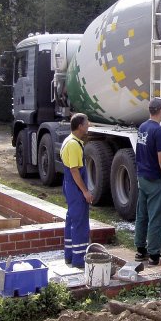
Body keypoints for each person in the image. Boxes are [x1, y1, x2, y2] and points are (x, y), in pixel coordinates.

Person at [134, 97, 161, 266]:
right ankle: (154, 255)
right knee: (157, 217)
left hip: (142, 177)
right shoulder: (160, 131)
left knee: (142, 214)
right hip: (155, 179)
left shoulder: (142, 127)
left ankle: (140, 249)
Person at [60, 113, 92, 269]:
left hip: (70, 186)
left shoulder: (70, 141)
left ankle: (70, 255)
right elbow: (74, 171)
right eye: (86, 123)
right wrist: (85, 191)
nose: (88, 125)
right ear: (80, 126)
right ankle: (79, 259)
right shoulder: (73, 145)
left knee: (72, 220)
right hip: (75, 188)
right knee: (79, 223)